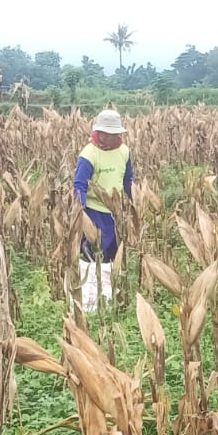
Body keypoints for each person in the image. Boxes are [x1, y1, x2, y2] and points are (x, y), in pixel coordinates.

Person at [73, 109, 134, 312]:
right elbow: (80, 185)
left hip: (115, 213)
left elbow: (128, 180)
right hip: (93, 213)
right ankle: (91, 302)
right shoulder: (89, 154)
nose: (112, 137)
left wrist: (135, 204)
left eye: (116, 134)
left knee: (112, 256)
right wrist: (80, 213)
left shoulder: (124, 152)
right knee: (92, 256)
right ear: (100, 133)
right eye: (108, 134)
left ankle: (111, 299)